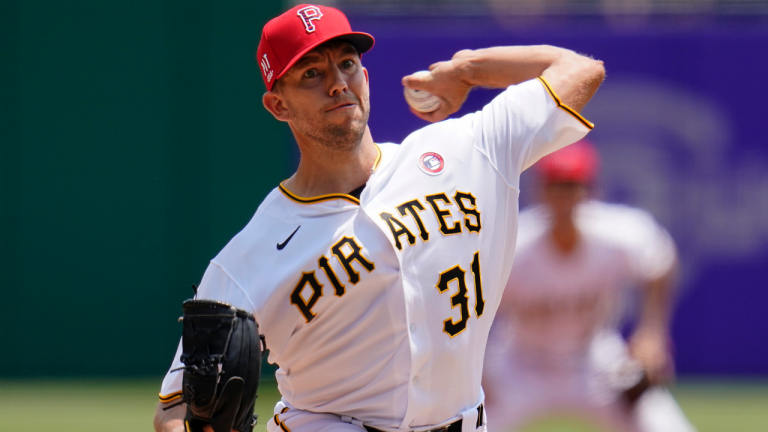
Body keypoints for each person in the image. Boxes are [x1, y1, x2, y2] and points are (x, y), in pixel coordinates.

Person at [153, 4, 604, 432]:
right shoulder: (246, 260)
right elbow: (174, 410)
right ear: (278, 106)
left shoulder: (469, 150)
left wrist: (467, 69)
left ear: (365, 76)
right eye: (311, 73)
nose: (336, 83)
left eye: (346, 64)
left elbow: (580, 71)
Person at [482, 140, 696, 432]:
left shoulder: (618, 235)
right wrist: (476, 370)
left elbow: (661, 263)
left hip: (593, 361)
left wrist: (652, 334)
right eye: (556, 185)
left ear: (591, 190)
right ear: (540, 191)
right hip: (520, 365)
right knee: (468, 423)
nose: (564, 195)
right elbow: (473, 307)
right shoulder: (515, 246)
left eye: (573, 185)